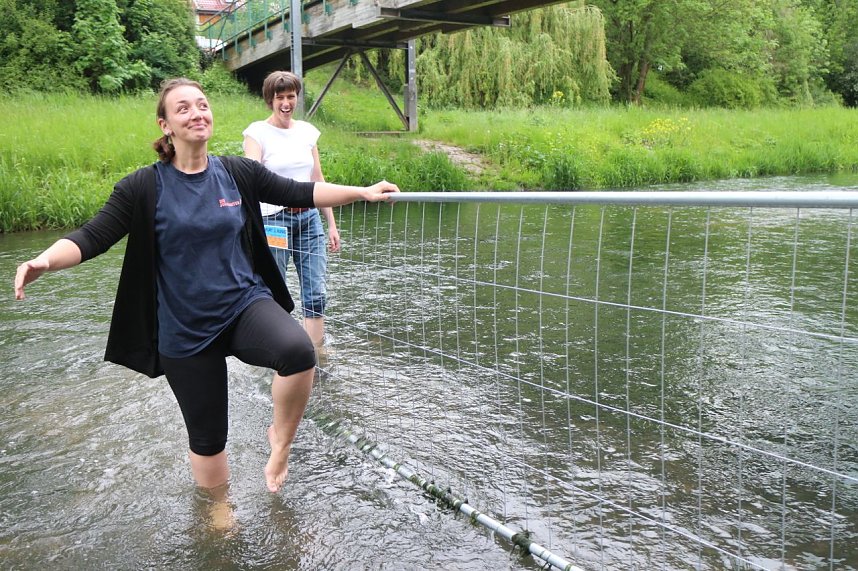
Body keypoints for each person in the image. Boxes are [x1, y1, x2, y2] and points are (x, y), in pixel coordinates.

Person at [13, 78, 398, 500]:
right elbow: (92, 236)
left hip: (243, 305)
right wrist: (44, 260)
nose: (197, 113)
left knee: (298, 352)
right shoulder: (142, 187)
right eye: (184, 109)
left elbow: (302, 191)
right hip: (185, 328)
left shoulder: (237, 172)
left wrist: (361, 192)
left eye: (202, 104)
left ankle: (280, 443)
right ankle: (217, 512)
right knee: (208, 436)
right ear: (166, 125)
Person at [243, 71, 336, 360]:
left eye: (291, 96)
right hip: (274, 221)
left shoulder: (308, 132)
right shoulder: (256, 132)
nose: (286, 103)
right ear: (270, 100)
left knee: (316, 291)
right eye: (279, 97)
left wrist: (330, 223)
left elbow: (317, 178)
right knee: (274, 290)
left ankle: (315, 358)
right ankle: (277, 354)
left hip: (309, 220)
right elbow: (251, 174)